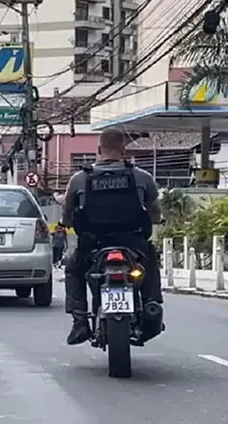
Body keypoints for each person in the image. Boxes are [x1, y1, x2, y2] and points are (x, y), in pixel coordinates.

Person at [61, 127, 164, 346]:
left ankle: (80, 320)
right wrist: (155, 220)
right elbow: (154, 212)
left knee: (72, 267)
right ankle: (151, 305)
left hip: (94, 245)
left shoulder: (79, 179)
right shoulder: (142, 177)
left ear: (99, 150)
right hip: (132, 242)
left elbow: (68, 214)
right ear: (123, 150)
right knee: (151, 260)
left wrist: (67, 223)